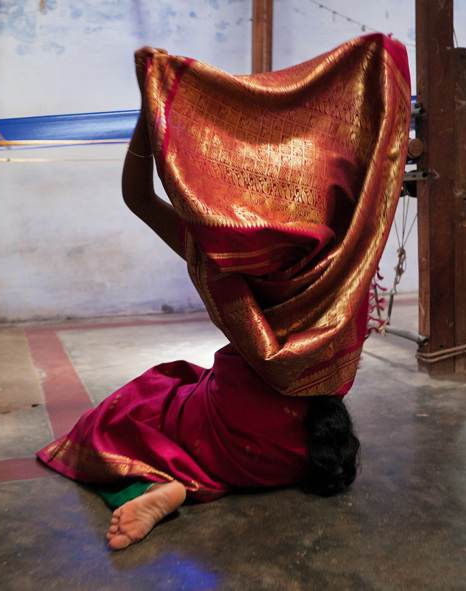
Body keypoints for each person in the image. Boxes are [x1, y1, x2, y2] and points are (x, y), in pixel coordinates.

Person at [38, 35, 410, 551]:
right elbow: (375, 160)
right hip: (307, 451)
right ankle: (182, 482)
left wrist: (155, 110)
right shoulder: (347, 262)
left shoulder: (225, 256)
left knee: (132, 408)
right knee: (187, 383)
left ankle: (171, 484)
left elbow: (138, 196)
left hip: (229, 435)